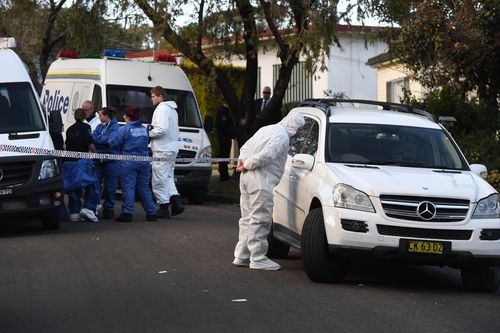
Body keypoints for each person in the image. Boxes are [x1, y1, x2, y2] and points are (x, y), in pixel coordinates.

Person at [233, 111, 305, 270]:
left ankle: (242, 255)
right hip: (261, 179)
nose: (299, 132)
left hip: (246, 178)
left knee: (246, 218)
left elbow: (245, 147)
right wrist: (248, 164)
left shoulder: (267, 129)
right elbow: (267, 155)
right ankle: (258, 258)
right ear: (294, 125)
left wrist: (242, 161)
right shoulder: (282, 137)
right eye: (299, 128)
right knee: (260, 218)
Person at [109, 106, 157, 222]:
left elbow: (113, 143)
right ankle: (151, 213)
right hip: (144, 161)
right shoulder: (144, 129)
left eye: (124, 115)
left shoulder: (124, 129)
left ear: (127, 117)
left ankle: (127, 213)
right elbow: (147, 141)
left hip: (128, 162)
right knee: (144, 188)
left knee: (128, 187)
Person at [149, 86, 184, 219]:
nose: (151, 99)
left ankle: (163, 207)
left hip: (162, 149)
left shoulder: (161, 108)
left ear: (160, 96)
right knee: (168, 176)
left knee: (159, 178)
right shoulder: (172, 109)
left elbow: (161, 129)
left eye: (153, 96)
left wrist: (147, 133)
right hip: (171, 148)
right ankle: (176, 201)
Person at [64, 108, 100, 222]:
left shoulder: (69, 129)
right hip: (82, 160)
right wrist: (95, 153)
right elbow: (89, 142)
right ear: (84, 116)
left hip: (69, 161)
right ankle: (88, 207)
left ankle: (74, 212)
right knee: (91, 184)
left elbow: (66, 145)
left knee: (74, 186)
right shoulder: (86, 127)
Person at [92, 107, 120, 219]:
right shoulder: (99, 126)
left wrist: (100, 140)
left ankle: (109, 209)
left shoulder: (116, 127)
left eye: (100, 115)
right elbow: (94, 137)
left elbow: (110, 140)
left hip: (111, 161)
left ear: (107, 115)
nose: (99, 117)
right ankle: (94, 207)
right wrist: (102, 140)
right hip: (98, 160)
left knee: (110, 186)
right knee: (95, 184)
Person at [215, 99, 238, 182]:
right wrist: (233, 130)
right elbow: (224, 126)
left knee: (225, 156)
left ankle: (224, 174)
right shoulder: (222, 112)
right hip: (223, 138)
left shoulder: (226, 111)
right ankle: (223, 175)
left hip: (226, 137)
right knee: (224, 156)